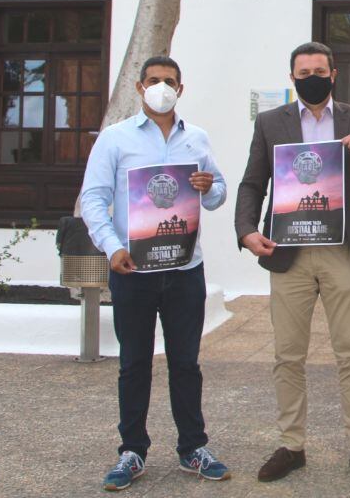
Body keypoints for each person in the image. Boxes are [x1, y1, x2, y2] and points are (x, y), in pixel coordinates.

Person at [235, 41, 350, 484]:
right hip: (288, 253)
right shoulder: (271, 122)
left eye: (318, 70)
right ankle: (292, 446)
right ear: (292, 77)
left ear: (333, 74)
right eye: (302, 71)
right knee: (288, 355)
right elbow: (253, 182)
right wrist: (247, 231)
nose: (311, 77)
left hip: (342, 251)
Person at [80, 56, 230, 491]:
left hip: (185, 268)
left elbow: (218, 193)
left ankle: (192, 448)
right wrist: (112, 248)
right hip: (133, 269)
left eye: (169, 81)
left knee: (186, 362)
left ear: (180, 89)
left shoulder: (196, 138)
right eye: (153, 81)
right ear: (138, 85)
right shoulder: (114, 139)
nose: (161, 87)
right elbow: (93, 199)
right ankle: (132, 451)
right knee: (134, 363)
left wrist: (209, 187)